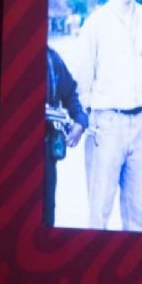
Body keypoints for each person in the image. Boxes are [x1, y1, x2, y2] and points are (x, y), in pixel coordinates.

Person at [78, 0, 142, 231]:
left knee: (137, 212)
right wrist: (87, 119)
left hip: (141, 123)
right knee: (99, 209)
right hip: (106, 123)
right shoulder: (96, 22)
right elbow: (83, 80)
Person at [45, 47, 87, 226]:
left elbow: (70, 93)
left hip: (45, 151)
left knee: (45, 214)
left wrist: (80, 121)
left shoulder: (51, 58)